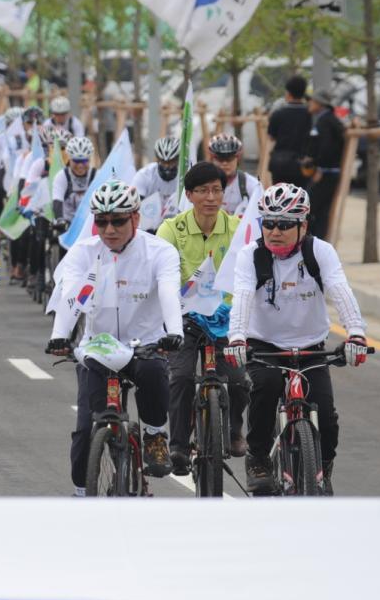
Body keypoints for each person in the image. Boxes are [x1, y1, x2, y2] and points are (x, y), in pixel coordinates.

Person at [226, 183, 368, 495]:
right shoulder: (250, 256)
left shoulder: (320, 252)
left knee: (327, 417)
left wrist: (356, 332)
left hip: (310, 346)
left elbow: (340, 291)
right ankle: (258, 457)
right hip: (265, 345)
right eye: (269, 223)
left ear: (303, 225)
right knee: (264, 390)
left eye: (285, 224)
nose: (275, 231)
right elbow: (243, 297)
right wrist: (237, 338)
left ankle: (323, 468)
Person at [45, 180, 184, 494]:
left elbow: (168, 292)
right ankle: (82, 493)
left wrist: (174, 331)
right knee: (84, 431)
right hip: (98, 346)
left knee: (152, 370)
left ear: (136, 218)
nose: (109, 229)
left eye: (118, 220)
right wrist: (59, 335)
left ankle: (154, 435)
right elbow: (71, 295)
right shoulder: (84, 252)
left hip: (144, 345)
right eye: (102, 221)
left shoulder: (159, 251)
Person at [155, 161, 251, 469]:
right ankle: (179, 445)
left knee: (238, 381)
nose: (210, 197)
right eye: (202, 191)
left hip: (226, 318)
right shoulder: (171, 229)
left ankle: (235, 430)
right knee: (180, 377)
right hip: (185, 317)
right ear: (189, 194)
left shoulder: (238, 229)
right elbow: (161, 276)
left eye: (216, 190)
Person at [303, 87, 345, 239]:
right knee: (321, 210)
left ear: (320, 103)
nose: (309, 104)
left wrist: (320, 168)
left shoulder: (326, 121)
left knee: (310, 206)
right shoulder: (327, 119)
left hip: (327, 173)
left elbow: (327, 147)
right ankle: (318, 239)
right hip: (329, 171)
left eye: (312, 101)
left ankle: (314, 240)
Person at [266, 74, 311, 185]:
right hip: (301, 163)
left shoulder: (278, 114)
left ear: (288, 93)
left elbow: (271, 137)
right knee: (300, 196)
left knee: (279, 196)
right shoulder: (310, 115)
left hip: (280, 164)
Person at [131, 135, 181, 231]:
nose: (167, 167)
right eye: (163, 162)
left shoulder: (184, 175)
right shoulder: (144, 175)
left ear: (178, 160)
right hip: (148, 226)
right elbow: (134, 205)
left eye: (171, 162)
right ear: (157, 159)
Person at [208, 132, 263, 217]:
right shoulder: (202, 184)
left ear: (238, 159)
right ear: (212, 159)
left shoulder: (252, 185)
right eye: (220, 158)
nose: (225, 163)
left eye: (229, 158)